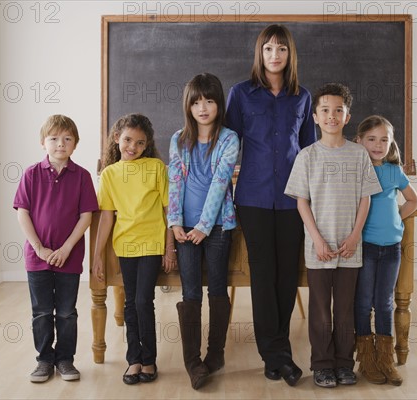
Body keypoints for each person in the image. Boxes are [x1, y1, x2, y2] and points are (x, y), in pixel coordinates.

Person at [225, 23, 316, 387]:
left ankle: (275, 352)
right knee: (263, 275)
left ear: (290, 54)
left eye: (281, 49)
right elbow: (228, 145)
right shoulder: (241, 94)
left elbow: (310, 152)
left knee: (286, 276)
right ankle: (278, 355)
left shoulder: (303, 97)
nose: (274, 55)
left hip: (294, 199)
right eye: (268, 49)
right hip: (253, 197)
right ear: (259, 54)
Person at [284, 83, 382, 389]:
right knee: (320, 311)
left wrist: (354, 236)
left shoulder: (358, 155)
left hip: (350, 248)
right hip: (319, 248)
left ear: (347, 115)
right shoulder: (307, 156)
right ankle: (322, 364)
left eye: (338, 110)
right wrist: (317, 238)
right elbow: (301, 200)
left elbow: (365, 198)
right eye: (325, 110)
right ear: (314, 116)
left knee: (344, 309)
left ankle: (343, 363)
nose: (331, 116)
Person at [167, 73, 240, 389]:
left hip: (218, 226)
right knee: (190, 292)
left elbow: (220, 184)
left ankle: (216, 354)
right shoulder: (178, 139)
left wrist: (204, 227)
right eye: (197, 101)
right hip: (185, 230)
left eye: (209, 100)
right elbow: (176, 182)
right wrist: (175, 222)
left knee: (217, 289)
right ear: (189, 105)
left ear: (218, 104)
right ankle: (192, 362)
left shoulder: (229, 139)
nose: (203, 107)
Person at [13, 114, 99, 383]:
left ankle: (65, 359)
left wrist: (65, 248)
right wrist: (39, 247)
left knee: (66, 311)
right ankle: (44, 360)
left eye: (67, 139)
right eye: (54, 138)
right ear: (43, 142)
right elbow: (23, 212)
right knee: (41, 311)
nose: (60, 144)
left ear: (75, 144)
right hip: (37, 258)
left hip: (69, 258)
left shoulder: (82, 176)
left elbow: (86, 216)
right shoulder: (31, 174)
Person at [92, 114, 176, 385]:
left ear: (147, 145)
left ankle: (149, 360)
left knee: (142, 301)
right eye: (128, 140)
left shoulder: (156, 168)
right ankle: (134, 360)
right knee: (130, 303)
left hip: (152, 243)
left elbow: (168, 211)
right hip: (125, 245)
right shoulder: (109, 174)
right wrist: (97, 257)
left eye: (140, 143)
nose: (132, 147)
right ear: (117, 138)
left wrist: (169, 248)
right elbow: (106, 217)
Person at [353, 115, 417, 386]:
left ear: (391, 143)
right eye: (371, 139)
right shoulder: (357, 169)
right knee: (363, 302)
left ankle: (386, 359)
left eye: (384, 139)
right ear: (359, 141)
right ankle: (367, 359)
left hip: (391, 248)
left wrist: (396, 218)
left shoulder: (394, 171)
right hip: (366, 247)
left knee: (384, 303)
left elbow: (413, 201)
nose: (378, 145)